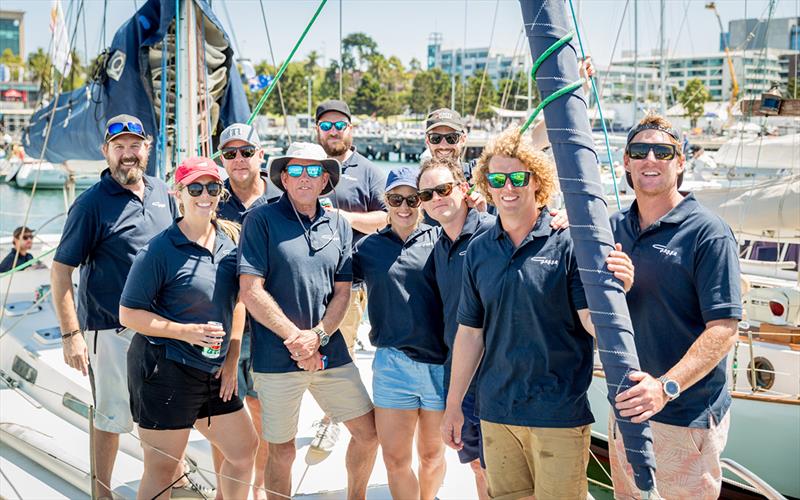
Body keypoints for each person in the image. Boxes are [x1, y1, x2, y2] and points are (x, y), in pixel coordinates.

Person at [440, 127, 634, 500]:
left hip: (557, 413)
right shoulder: (479, 250)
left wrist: (617, 293)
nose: (508, 187)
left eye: (518, 177)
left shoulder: (568, 243)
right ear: (487, 185)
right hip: (496, 411)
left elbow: (591, 321)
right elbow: (470, 333)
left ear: (537, 182)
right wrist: (452, 407)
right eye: (497, 179)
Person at [50, 114, 186, 499]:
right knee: (111, 416)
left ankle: (165, 484)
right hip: (109, 329)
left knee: (163, 413)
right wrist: (71, 335)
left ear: (147, 148)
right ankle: (102, 491)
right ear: (106, 152)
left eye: (134, 146)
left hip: (162, 327)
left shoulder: (164, 193)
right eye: (119, 147)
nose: (128, 154)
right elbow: (61, 273)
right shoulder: (90, 204)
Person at [609, 113, 741, 499]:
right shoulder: (612, 227)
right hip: (627, 411)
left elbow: (723, 330)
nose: (650, 158)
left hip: (684, 417)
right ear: (626, 162)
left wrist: (665, 388)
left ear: (680, 163)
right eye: (639, 150)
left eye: (662, 151)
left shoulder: (708, 232)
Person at [239, 142, 378, 500]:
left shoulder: (339, 225)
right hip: (276, 356)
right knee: (281, 450)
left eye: (314, 171)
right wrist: (297, 342)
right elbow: (251, 291)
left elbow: (343, 292)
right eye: (296, 170)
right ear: (283, 178)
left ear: (325, 180)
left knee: (369, 432)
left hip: (329, 349)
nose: (305, 178)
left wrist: (316, 336)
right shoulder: (260, 220)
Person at [119, 156, 258, 500]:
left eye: (212, 187)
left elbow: (237, 303)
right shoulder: (159, 250)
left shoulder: (229, 243)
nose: (204, 194)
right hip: (164, 368)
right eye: (194, 187)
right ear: (178, 193)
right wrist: (185, 332)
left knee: (243, 452)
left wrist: (231, 360)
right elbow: (128, 314)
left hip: (213, 371)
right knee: (163, 468)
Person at [352, 166, 447, 500]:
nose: (404, 207)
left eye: (412, 198)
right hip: (392, 365)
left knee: (432, 455)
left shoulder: (442, 240)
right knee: (395, 458)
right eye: (396, 199)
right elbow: (329, 284)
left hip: (439, 364)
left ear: (422, 201)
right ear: (386, 202)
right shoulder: (367, 249)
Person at [312, 99, 387, 448]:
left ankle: (331, 419)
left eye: (339, 124)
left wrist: (343, 217)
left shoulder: (368, 170)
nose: (333, 131)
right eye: (326, 125)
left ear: (351, 128)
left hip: (349, 278)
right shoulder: (308, 165)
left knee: (340, 352)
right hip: (306, 280)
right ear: (317, 130)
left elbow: (386, 217)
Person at [215, 122, 279, 499]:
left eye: (246, 151)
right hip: (220, 323)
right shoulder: (209, 197)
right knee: (221, 415)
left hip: (266, 326)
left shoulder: (280, 198)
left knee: (262, 414)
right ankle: (227, 493)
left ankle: (254, 490)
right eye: (230, 153)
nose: (239, 159)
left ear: (261, 155)